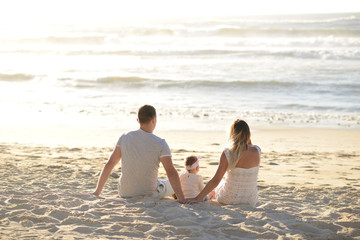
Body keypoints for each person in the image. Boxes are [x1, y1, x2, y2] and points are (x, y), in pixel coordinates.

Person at [93, 105, 185, 203]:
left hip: (124, 193)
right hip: (149, 194)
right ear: (154, 120)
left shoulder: (124, 137)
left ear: (138, 120)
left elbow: (109, 164)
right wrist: (182, 199)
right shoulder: (160, 143)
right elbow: (171, 172)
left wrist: (97, 192)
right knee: (177, 181)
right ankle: (178, 196)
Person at [185, 119, 261, 206]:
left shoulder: (228, 153)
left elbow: (215, 180)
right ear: (248, 134)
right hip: (250, 200)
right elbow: (248, 145)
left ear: (232, 134)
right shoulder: (257, 150)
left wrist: (197, 198)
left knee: (221, 183)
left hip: (229, 199)